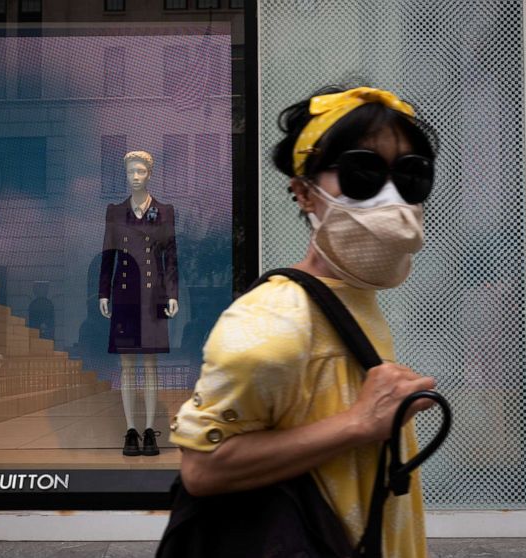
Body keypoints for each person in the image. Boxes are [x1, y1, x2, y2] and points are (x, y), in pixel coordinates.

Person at [170, 86, 438, 557]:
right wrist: (360, 423)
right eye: (363, 172)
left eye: (411, 175)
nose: (391, 196)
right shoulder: (272, 322)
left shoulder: (354, 296)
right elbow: (203, 469)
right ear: (303, 192)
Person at [98, 150, 179, 457]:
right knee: (127, 365)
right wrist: (104, 292)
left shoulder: (164, 210)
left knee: (150, 365)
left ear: (149, 174)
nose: (135, 177)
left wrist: (172, 294)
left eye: (140, 172)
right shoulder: (115, 212)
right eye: (131, 171)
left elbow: (170, 254)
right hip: (125, 294)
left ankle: (149, 431)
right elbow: (109, 254)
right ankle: (131, 430)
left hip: (154, 293)